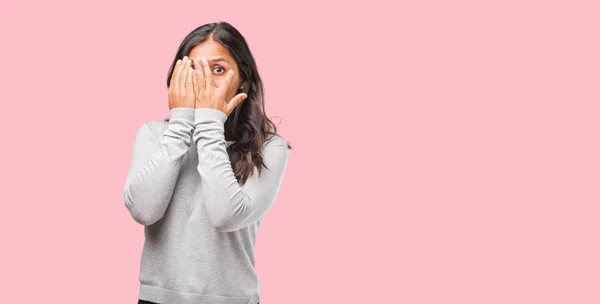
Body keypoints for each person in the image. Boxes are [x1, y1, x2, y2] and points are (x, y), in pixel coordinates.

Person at [123, 21, 291, 304]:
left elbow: (226, 216)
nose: (202, 80)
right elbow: (143, 210)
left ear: (243, 79)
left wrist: (211, 124)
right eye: (192, 69)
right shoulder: (155, 135)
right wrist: (179, 126)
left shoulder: (269, 148)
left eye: (217, 69)